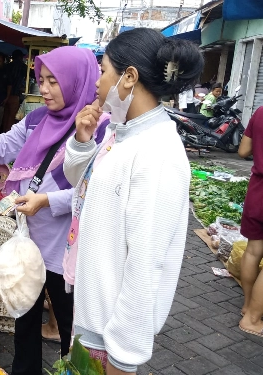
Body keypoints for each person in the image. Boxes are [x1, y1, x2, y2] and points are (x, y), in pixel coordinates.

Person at [0, 46, 104, 375]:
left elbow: (92, 191)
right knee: (26, 321)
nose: (43, 89)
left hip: (66, 249)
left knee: (71, 330)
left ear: (77, 81)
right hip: (28, 241)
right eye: (41, 80)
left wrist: (46, 201)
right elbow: (5, 146)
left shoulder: (99, 129)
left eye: (53, 81)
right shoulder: (37, 119)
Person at [63, 28, 203, 374]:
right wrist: (82, 142)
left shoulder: (157, 153)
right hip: (92, 318)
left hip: (110, 342)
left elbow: (146, 267)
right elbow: (84, 186)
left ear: (129, 77)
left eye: (103, 69)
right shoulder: (120, 132)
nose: (96, 80)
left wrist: (124, 359)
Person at [238, 106, 263, 338]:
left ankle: (248, 305)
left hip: (257, 191)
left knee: (253, 251)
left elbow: (243, 151)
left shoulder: (260, 112)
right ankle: (253, 319)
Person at [2, 49, 28, 133]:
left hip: (5, 95)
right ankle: (8, 134)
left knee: (5, 116)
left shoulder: (7, 66)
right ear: (20, 57)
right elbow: (33, 76)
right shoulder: (23, 67)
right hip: (15, 95)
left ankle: (3, 133)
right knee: (12, 117)